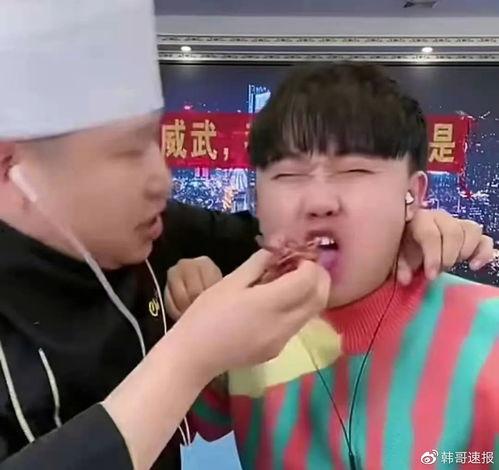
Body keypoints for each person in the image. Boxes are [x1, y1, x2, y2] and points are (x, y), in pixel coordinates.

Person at [0, 2, 337, 469]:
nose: (162, 180)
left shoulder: (154, 229)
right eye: (127, 152)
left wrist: (403, 222)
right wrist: (192, 355)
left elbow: (272, 237)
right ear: (10, 168)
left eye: (154, 141)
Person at [174, 63, 499, 469]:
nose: (319, 202)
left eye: (354, 170)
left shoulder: (488, 332)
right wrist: (188, 322)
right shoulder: (241, 324)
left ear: (412, 195)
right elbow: (169, 428)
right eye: (288, 174)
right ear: (256, 198)